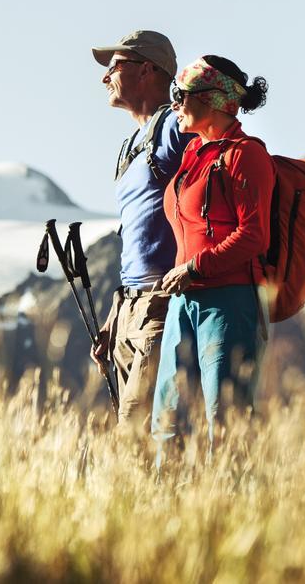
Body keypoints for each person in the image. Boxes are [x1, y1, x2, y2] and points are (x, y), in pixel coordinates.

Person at [151, 55, 274, 451]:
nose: (175, 104)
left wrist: (194, 267)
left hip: (230, 303)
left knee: (225, 422)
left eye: (182, 94)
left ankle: (230, 509)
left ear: (216, 100)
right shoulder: (193, 157)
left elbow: (254, 235)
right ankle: (163, 507)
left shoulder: (246, 155)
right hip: (183, 302)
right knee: (166, 419)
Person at [89, 30, 194, 427]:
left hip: (160, 305)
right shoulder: (132, 144)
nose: (105, 77)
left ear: (147, 70)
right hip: (128, 308)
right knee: (133, 430)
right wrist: (115, 317)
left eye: (114, 66)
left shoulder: (170, 127)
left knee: (135, 433)